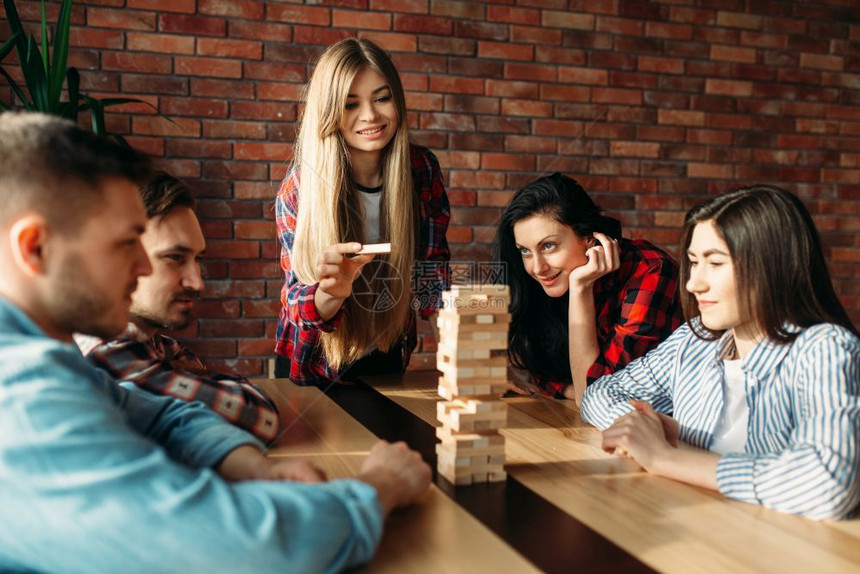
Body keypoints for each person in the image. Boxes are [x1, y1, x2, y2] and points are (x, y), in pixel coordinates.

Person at [0, 112, 431, 573]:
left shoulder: (49, 359)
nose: (143, 268)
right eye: (125, 244)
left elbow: (164, 414)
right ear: (35, 248)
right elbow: (247, 549)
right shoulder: (21, 399)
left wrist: (256, 469)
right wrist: (378, 487)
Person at [580, 184, 860, 520]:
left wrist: (665, 457)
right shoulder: (695, 340)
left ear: (772, 266)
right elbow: (598, 395)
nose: (693, 283)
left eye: (715, 263)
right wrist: (659, 429)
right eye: (694, 262)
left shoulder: (823, 349)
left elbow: (828, 484)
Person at [274, 38, 450, 385]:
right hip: (313, 362)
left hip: (386, 352)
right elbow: (295, 303)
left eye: (382, 98)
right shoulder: (299, 188)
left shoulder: (421, 169)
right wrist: (330, 292)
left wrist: (467, 367)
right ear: (329, 113)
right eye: (350, 104)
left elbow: (432, 272)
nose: (370, 116)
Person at [77, 172, 280, 443]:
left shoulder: (160, 346)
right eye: (174, 258)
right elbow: (258, 416)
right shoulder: (104, 353)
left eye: (197, 260)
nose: (197, 282)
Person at [494, 173, 682, 403]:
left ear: (589, 239)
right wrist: (568, 389)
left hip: (670, 430)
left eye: (549, 246)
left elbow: (596, 398)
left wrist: (581, 289)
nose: (537, 267)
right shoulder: (551, 281)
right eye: (525, 251)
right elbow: (540, 369)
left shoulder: (650, 273)